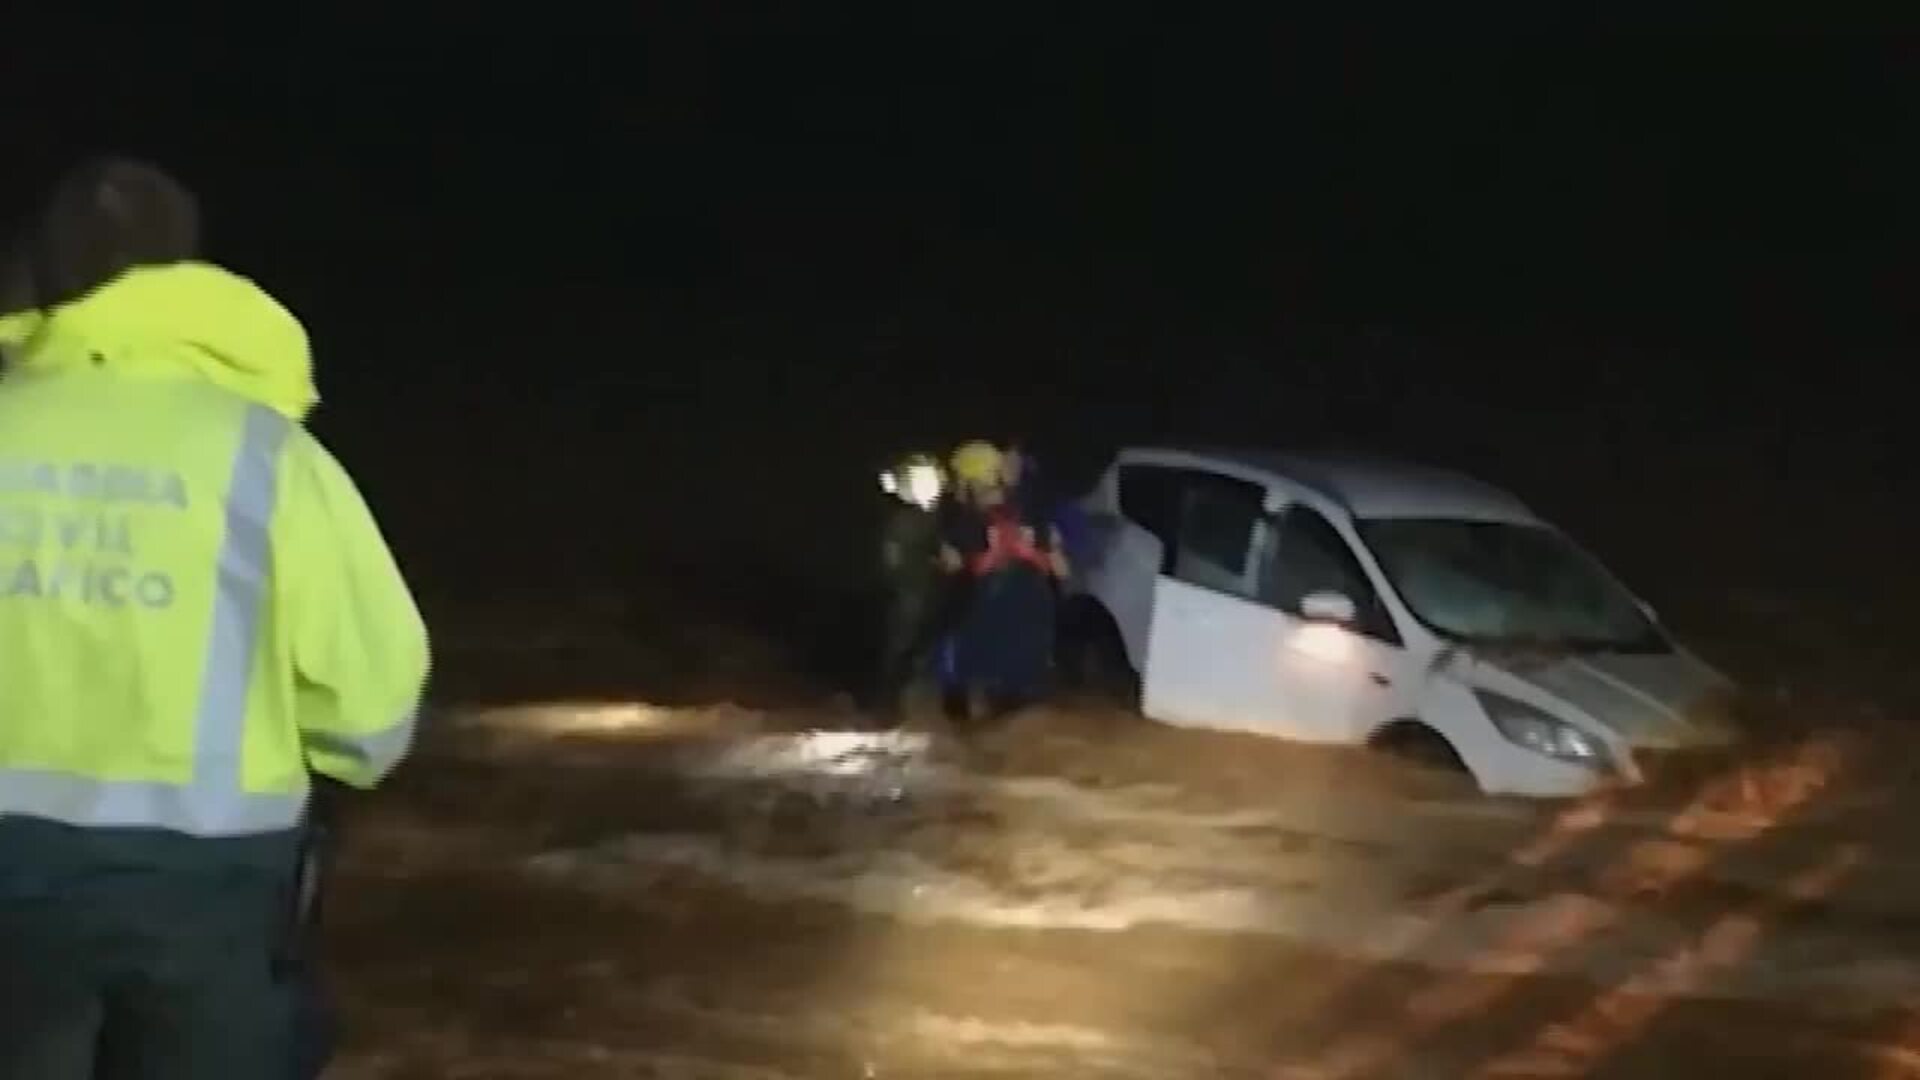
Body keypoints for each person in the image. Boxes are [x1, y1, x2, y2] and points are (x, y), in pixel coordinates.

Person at [0, 158, 430, 1078]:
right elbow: (372, 715)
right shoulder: (268, 456)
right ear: (185, 268)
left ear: (48, 272)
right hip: (209, 889)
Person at [938, 440, 1068, 727]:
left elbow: (951, 568)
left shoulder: (963, 522)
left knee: (977, 711)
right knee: (1018, 709)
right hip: (1031, 623)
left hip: (987, 625)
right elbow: (1061, 570)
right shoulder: (1033, 515)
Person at [871, 451, 952, 720]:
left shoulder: (936, 517)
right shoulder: (906, 520)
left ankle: (902, 702)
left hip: (928, 593)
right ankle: (890, 704)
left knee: (920, 646)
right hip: (912, 594)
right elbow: (893, 562)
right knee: (905, 645)